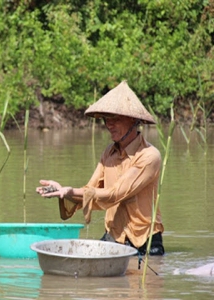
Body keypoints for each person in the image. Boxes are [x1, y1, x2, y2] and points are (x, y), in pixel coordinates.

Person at [36, 80, 165, 256]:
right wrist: (64, 191)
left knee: (141, 281)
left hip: (144, 240)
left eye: (116, 119)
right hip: (114, 236)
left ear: (134, 121)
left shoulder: (149, 156)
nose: (109, 125)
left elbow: (116, 193)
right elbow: (91, 191)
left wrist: (72, 191)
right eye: (106, 119)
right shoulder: (109, 153)